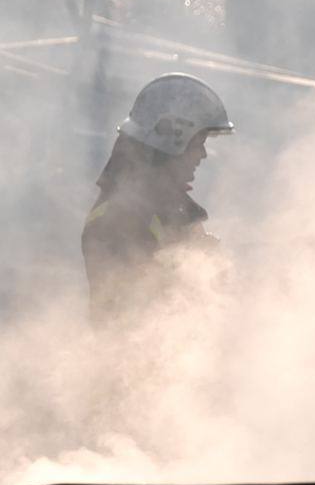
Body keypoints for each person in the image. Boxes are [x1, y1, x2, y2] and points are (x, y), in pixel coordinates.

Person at [82, 73, 234, 326]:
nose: (203, 155)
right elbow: (133, 315)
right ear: (172, 139)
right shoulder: (119, 219)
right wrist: (198, 268)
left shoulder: (163, 210)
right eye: (198, 143)